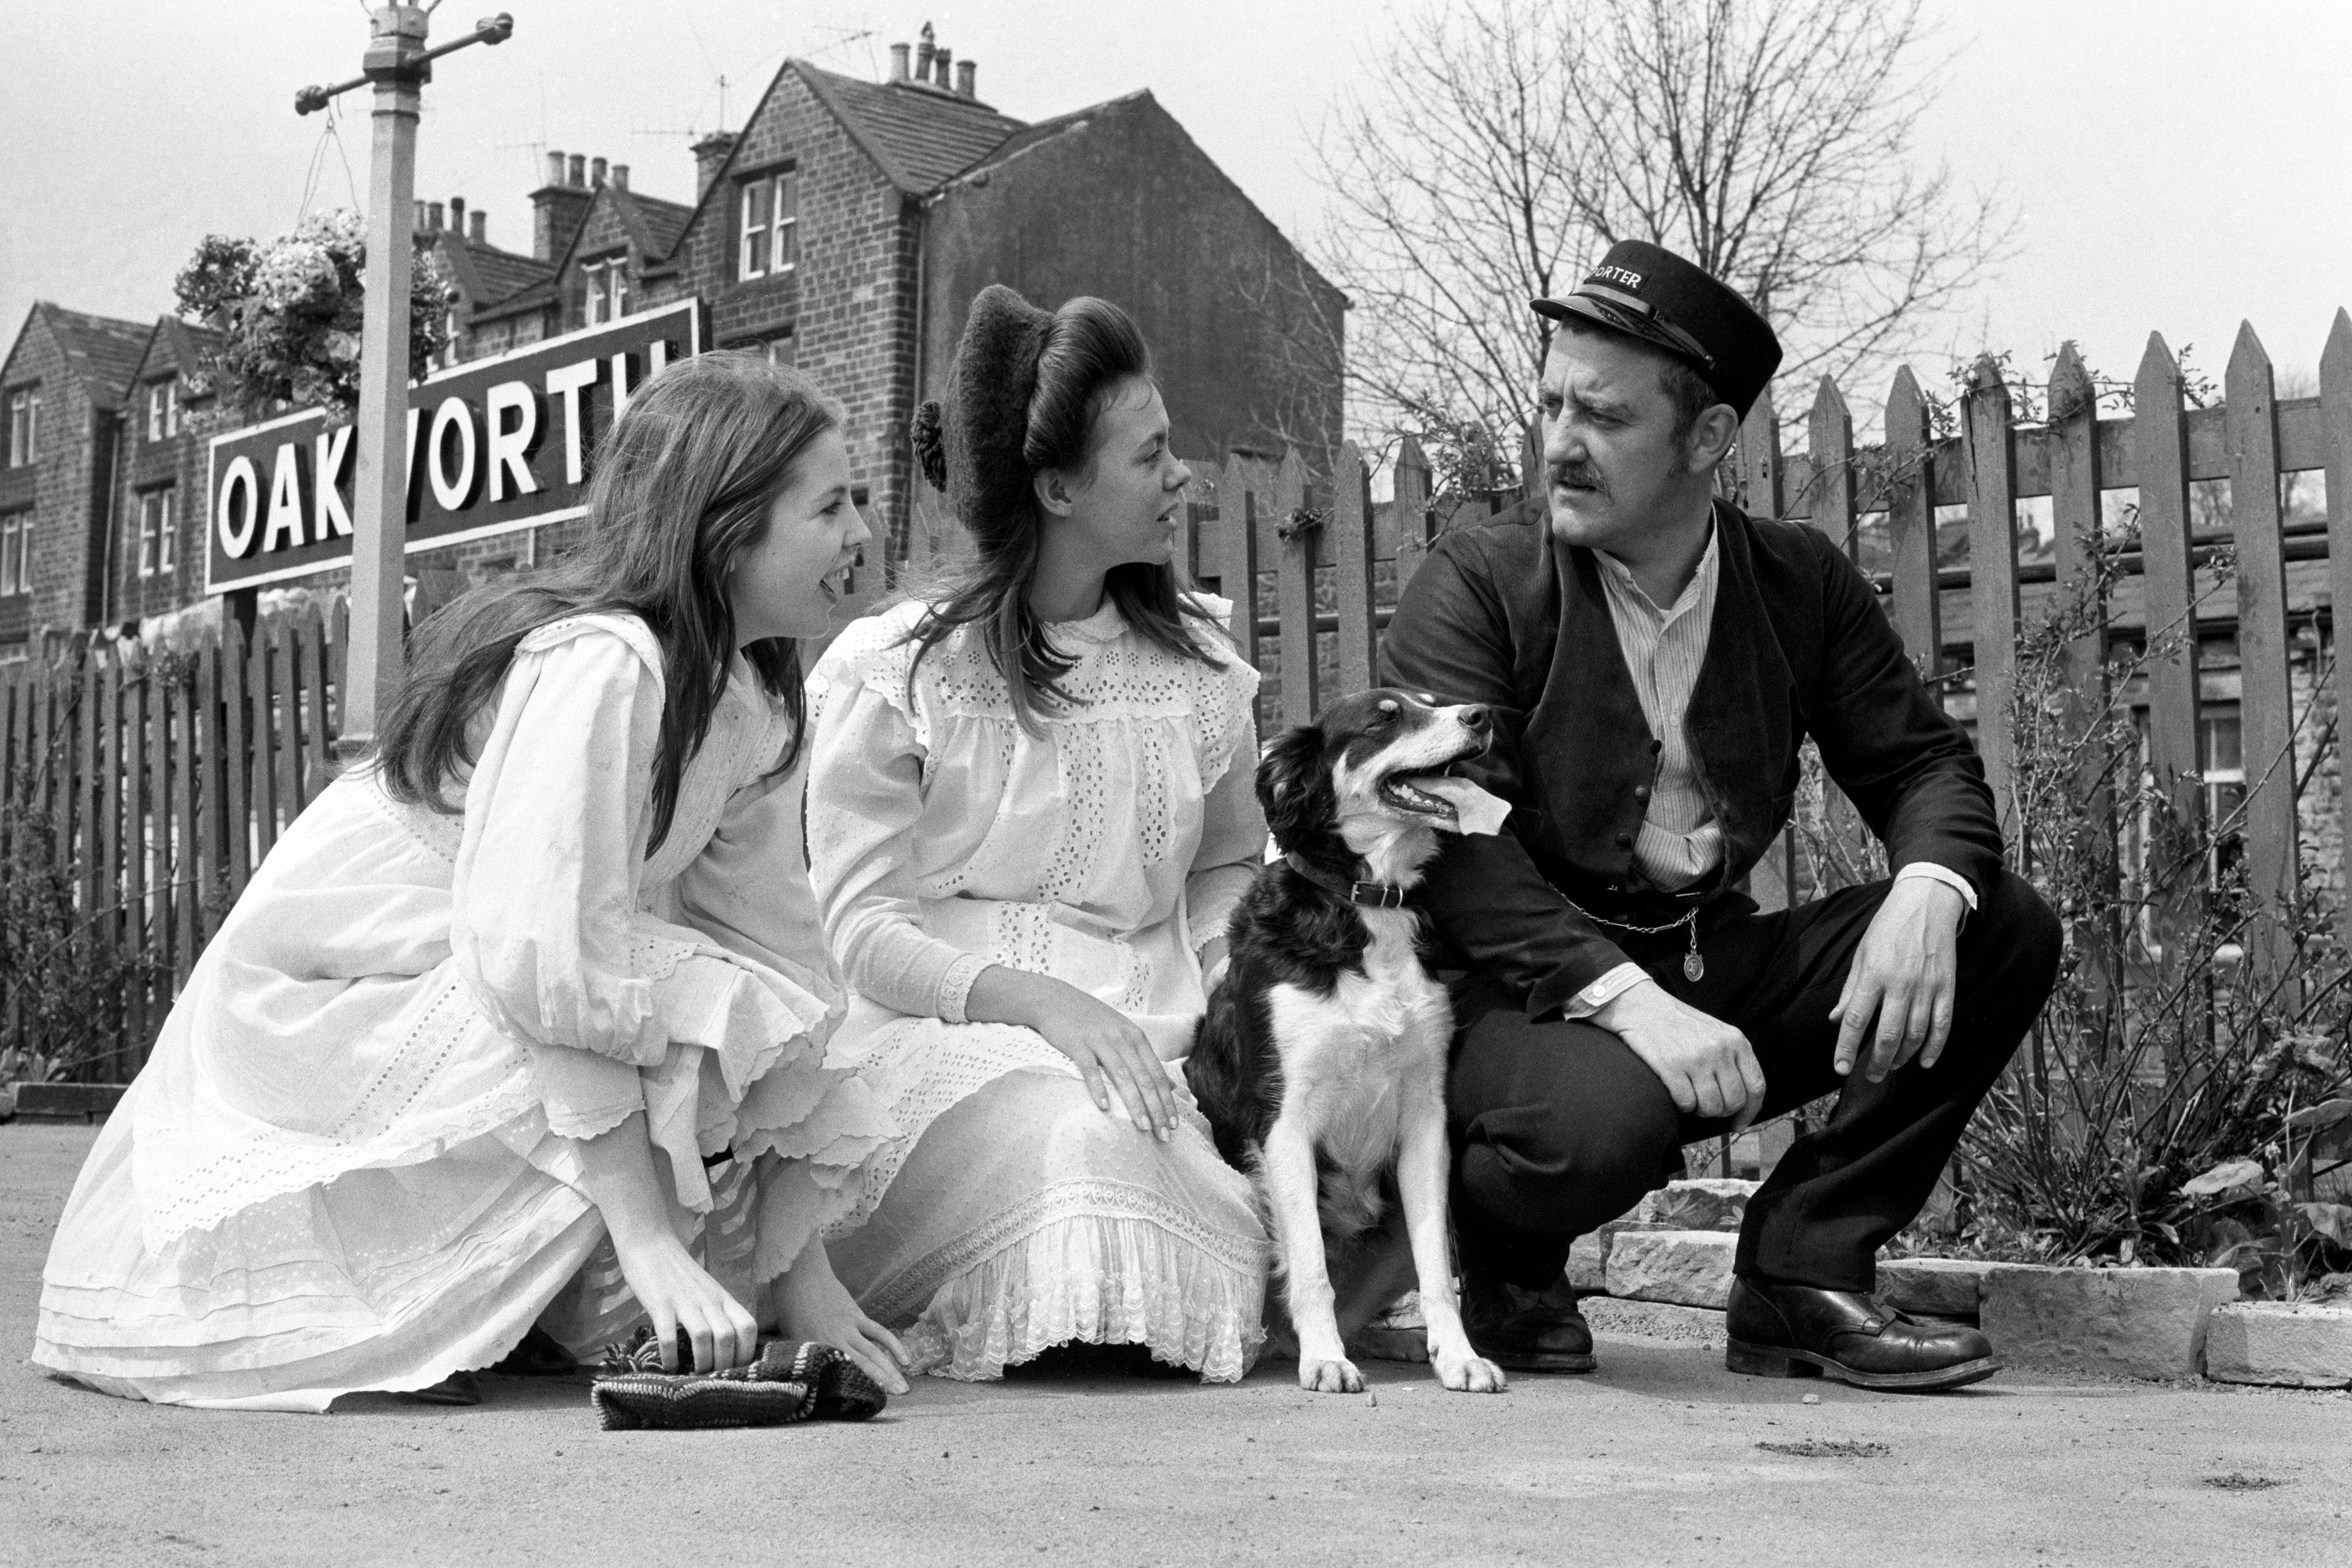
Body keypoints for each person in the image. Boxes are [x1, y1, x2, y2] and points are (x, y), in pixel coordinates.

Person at [33, 353, 911, 1411]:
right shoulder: (606, 662)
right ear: (723, 534)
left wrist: (796, 1276)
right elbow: (537, 956)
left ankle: (529, 1309)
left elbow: (775, 964)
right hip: (352, 980)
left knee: (710, 1000)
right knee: (653, 1014)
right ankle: (418, 1306)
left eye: (857, 498)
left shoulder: (755, 703)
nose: (862, 534)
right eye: (830, 507)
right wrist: (641, 1232)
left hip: (495, 963)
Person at [1378, 241, 2062, 1391]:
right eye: (1548, 404)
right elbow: (1450, 838)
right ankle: (1495, 1255)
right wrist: (1629, 1007)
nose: (1558, 443)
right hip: (1498, 990)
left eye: (1599, 416)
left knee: (2001, 924)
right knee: (1604, 1120)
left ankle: (1800, 1266)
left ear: (1705, 440)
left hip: (1702, 958)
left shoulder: (1796, 582)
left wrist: (1924, 891)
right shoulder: (1480, 580)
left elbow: (1924, 766)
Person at [806, 285, 1270, 1382]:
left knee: (1136, 1140)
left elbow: (1227, 864)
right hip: (945, 1042)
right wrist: (1049, 1008)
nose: (1182, 474)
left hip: (1155, 1040)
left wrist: (1235, 985)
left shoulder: (1198, 665)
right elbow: (860, 932)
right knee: (1085, 1146)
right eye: (1151, 454)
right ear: (1059, 487)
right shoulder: (903, 670)